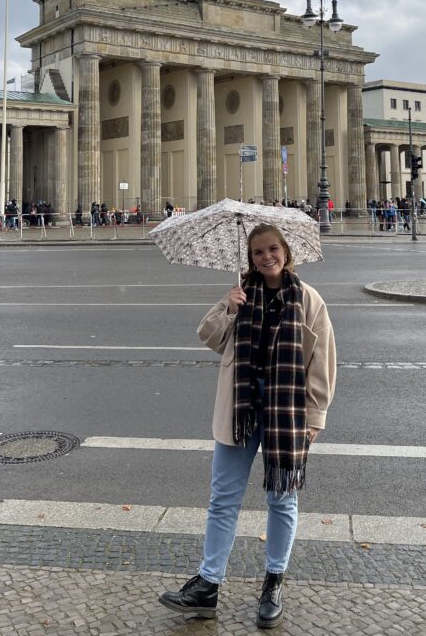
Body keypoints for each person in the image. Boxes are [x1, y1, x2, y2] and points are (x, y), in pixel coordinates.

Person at [158, 224, 337, 627]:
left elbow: (321, 364)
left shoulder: (308, 300)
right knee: (223, 500)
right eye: (258, 252)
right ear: (249, 258)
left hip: (285, 415)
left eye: (273, 249)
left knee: (282, 499)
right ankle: (208, 585)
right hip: (240, 412)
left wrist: (315, 415)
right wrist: (228, 307)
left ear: (286, 252)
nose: (266, 257)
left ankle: (273, 582)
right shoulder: (240, 294)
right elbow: (209, 337)